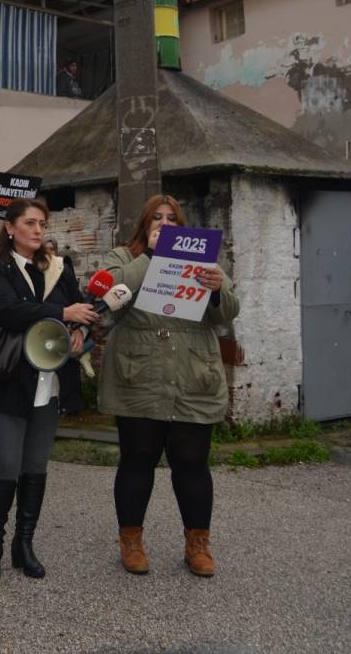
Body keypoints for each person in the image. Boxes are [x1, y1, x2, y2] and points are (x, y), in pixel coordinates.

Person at [99, 195, 238, 578]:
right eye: (156, 218)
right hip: (139, 374)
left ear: (183, 224)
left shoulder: (204, 260)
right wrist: (152, 257)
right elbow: (108, 295)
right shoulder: (124, 257)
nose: (164, 223)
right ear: (145, 225)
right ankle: (131, 541)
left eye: (172, 218)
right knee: (137, 460)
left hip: (191, 371)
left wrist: (214, 289)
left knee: (192, 462)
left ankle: (198, 545)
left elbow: (229, 311)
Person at [0, 198, 98, 582]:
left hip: (51, 381)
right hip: (8, 378)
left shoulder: (61, 268)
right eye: (29, 223)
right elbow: (6, 311)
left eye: (42, 223)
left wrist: (81, 330)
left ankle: (23, 545)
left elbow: (82, 311)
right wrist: (63, 315)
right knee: (6, 466)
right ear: (10, 228)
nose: (39, 230)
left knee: (36, 467)